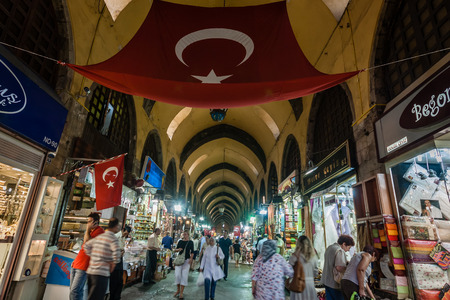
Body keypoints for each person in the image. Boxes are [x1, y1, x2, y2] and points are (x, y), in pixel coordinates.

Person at [83, 217, 121, 300]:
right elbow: (117, 255)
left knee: (91, 297)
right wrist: (112, 263)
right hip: (101, 273)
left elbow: (86, 245)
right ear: (116, 226)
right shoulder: (113, 238)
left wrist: (93, 255)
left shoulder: (100, 236)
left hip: (91, 272)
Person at [70, 212, 104, 300]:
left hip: (84, 266)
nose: (87, 224)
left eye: (89, 222)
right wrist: (74, 262)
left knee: (75, 291)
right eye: (87, 222)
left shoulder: (100, 231)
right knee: (74, 291)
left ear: (96, 223)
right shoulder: (90, 231)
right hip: (77, 263)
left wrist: (88, 229)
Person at [322, 235, 355, 300]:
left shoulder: (330, 247)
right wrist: (349, 268)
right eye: (349, 247)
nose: (348, 250)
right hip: (334, 283)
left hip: (326, 280)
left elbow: (332, 262)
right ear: (344, 244)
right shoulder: (340, 251)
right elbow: (339, 267)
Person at [200, 235, 225, 300]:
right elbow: (204, 258)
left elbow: (223, 256)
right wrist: (201, 267)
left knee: (214, 283)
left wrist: (218, 256)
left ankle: (212, 296)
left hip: (215, 268)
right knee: (207, 282)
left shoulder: (218, 248)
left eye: (212, 241)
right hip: (207, 268)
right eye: (210, 240)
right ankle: (206, 297)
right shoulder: (207, 248)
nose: (211, 242)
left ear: (214, 242)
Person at [109, 225, 131, 300]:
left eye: (127, 234)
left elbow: (121, 247)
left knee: (120, 280)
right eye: (126, 233)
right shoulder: (115, 237)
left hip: (120, 259)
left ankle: (117, 297)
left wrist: (123, 251)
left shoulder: (123, 237)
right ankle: (112, 297)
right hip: (114, 260)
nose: (126, 235)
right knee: (114, 280)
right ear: (123, 230)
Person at [173, 230, 194, 299]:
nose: (184, 235)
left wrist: (191, 259)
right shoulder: (180, 241)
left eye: (186, 234)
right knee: (177, 275)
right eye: (184, 234)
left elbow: (192, 252)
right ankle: (178, 290)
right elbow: (175, 249)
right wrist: (178, 250)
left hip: (186, 260)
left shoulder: (190, 242)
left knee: (184, 276)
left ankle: (181, 292)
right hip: (179, 260)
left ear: (188, 235)